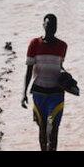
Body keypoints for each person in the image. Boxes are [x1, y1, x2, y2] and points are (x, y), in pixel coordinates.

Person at [22, 14, 68, 152]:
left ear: (56, 27)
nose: (50, 28)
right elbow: (29, 70)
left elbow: (59, 66)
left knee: (53, 128)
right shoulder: (34, 44)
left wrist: (67, 78)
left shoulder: (62, 46)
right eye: (48, 25)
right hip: (39, 92)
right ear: (43, 26)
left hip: (56, 93)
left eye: (53, 26)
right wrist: (24, 93)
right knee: (42, 128)